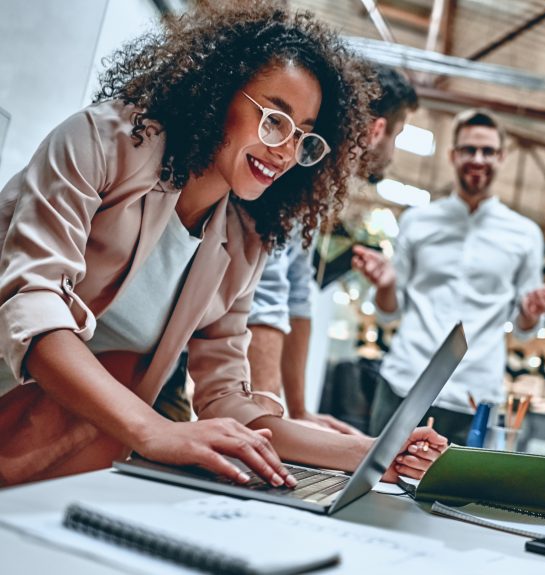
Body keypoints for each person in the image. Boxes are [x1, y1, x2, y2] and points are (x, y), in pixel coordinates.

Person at [0, 3, 445, 487]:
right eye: (274, 119)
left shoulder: (244, 240)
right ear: (216, 92)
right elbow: (32, 304)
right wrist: (154, 430)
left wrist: (374, 452)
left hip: (61, 449)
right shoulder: (101, 143)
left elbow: (229, 399)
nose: (284, 150)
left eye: (304, 138)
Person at [353, 108, 545, 444]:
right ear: (452, 155)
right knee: (378, 485)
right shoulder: (417, 221)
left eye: (488, 151)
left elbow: (525, 330)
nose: (478, 159)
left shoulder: (526, 234)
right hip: (405, 382)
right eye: (468, 149)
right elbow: (389, 310)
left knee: (456, 495)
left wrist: (530, 312)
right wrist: (387, 285)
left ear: (502, 157)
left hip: (475, 395)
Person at [245, 65, 418, 434]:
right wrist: (271, 419)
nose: (392, 151)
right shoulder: (298, 169)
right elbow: (268, 292)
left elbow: (296, 293)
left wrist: (298, 411)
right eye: (398, 135)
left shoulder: (321, 186)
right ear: (377, 130)